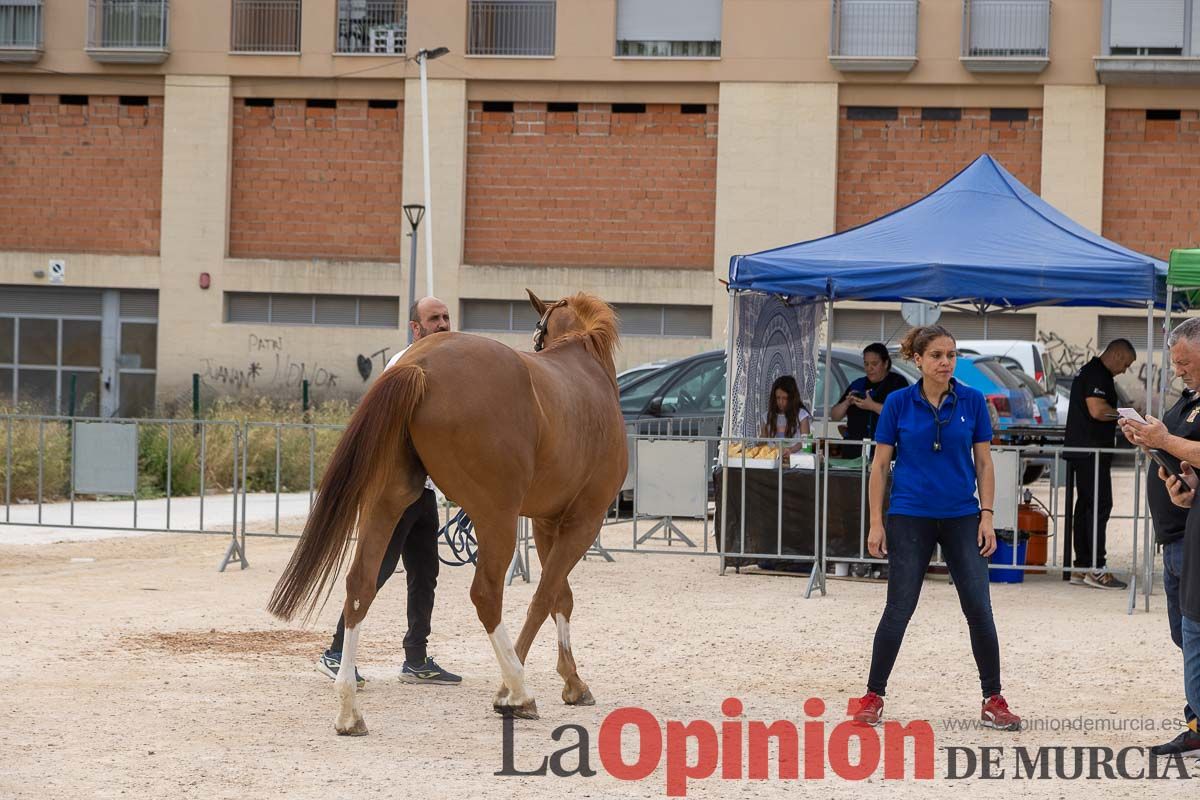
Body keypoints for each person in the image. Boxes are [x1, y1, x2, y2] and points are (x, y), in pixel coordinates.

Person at [849, 324, 1020, 731]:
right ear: (918, 360)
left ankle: (993, 698)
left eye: (952, 355)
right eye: (938, 356)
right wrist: (876, 522)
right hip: (910, 514)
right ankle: (873, 695)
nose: (946, 362)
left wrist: (988, 516)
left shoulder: (974, 401)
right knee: (899, 608)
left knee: (979, 607)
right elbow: (879, 466)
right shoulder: (897, 403)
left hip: (963, 515)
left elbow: (984, 463)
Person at [316, 296, 461, 687]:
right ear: (416, 328)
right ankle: (335, 651)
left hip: (424, 489)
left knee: (425, 573)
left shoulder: (450, 369)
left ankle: (416, 658)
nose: (443, 323)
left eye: (446, 317)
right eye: (434, 319)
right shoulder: (403, 365)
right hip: (394, 489)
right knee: (375, 571)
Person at [1119, 318, 1200, 756]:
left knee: (1195, 636)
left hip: (1191, 540)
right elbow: (1172, 449)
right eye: (1176, 363)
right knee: (1184, 636)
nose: (1179, 371)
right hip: (1176, 532)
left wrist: (1164, 438)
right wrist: (1148, 439)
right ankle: (1196, 719)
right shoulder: (1188, 400)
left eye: (1185, 362)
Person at [1064, 339, 1136, 589]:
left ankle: (1081, 566)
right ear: (1116, 354)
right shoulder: (1097, 374)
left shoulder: (1091, 371)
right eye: (1125, 364)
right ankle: (1095, 567)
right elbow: (1096, 409)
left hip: (1085, 452)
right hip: (1090, 452)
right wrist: (1124, 415)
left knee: (1086, 506)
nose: (1124, 370)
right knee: (1098, 506)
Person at [831, 342, 909, 458]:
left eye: (874, 364)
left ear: (885, 363)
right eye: (866, 364)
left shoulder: (897, 383)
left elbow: (901, 415)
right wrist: (846, 403)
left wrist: (872, 406)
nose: (869, 368)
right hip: (854, 452)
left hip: (885, 452)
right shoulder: (858, 384)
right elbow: (834, 416)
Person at [761, 375, 811, 454]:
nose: (780, 402)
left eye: (785, 398)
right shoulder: (767, 417)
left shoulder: (801, 415)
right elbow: (763, 441)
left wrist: (791, 450)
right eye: (778, 398)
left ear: (792, 398)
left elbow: (806, 442)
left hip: (796, 461)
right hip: (774, 461)